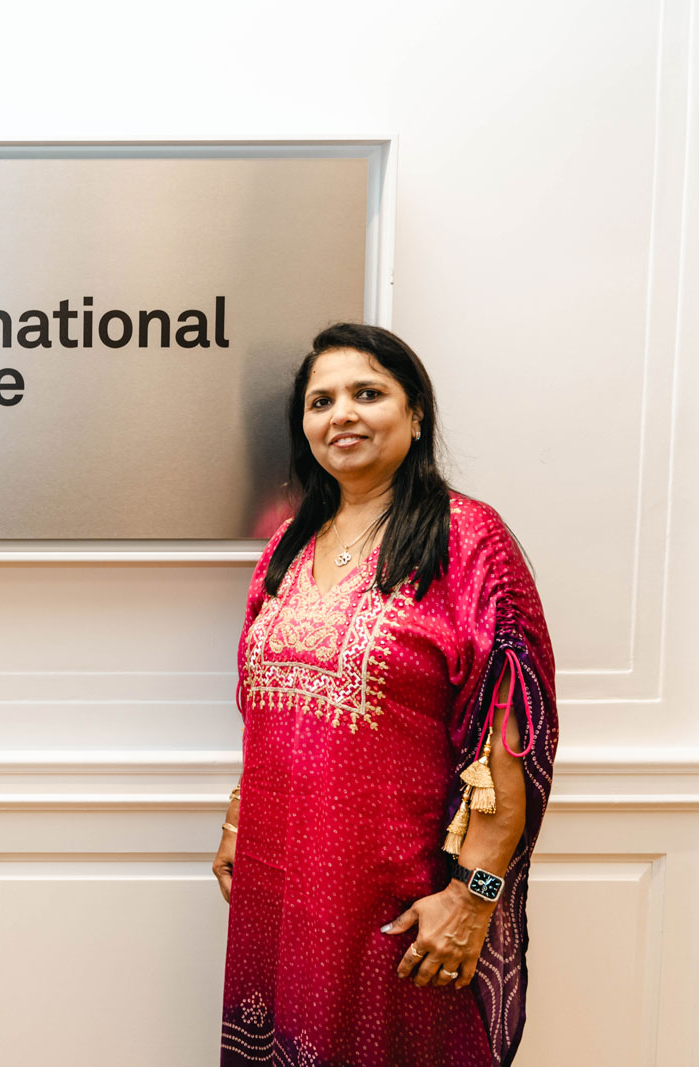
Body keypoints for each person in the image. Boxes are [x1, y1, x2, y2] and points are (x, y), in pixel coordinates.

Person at [213, 324, 557, 1067]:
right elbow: (262, 710)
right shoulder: (289, 544)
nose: (342, 414)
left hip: (398, 908)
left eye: (367, 393)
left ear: (416, 413)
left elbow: (510, 734)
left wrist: (472, 897)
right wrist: (240, 820)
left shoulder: (467, 541)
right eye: (321, 401)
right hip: (278, 888)